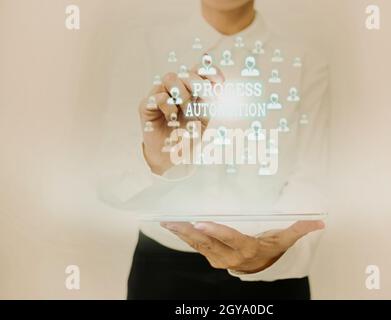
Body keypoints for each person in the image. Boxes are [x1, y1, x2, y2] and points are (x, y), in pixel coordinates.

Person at [98, 0, 329, 300]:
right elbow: (109, 183)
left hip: (271, 270)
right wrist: (158, 160)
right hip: (163, 272)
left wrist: (271, 254)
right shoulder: (142, 48)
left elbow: (310, 178)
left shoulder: (306, 62)